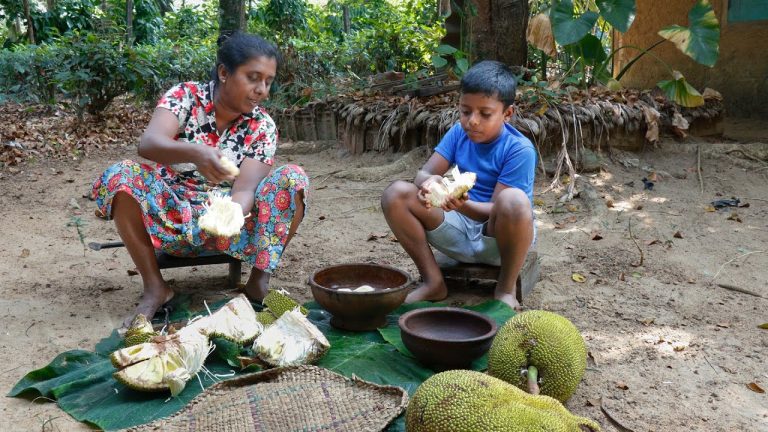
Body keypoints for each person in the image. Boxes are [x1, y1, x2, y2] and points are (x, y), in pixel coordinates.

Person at [91, 32, 308, 326]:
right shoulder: (184, 97)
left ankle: (258, 283)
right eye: (253, 77)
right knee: (121, 174)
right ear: (223, 72)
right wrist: (195, 152)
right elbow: (149, 144)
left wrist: (229, 214)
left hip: (230, 227)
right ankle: (156, 288)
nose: (261, 90)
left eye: (268, 81)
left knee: (291, 178)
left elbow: (245, 189)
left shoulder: (262, 127)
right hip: (173, 217)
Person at [381, 60, 535, 310]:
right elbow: (423, 173)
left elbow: (499, 209)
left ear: (508, 114)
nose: (472, 121)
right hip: (456, 232)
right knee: (396, 194)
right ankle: (433, 282)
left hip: (498, 240)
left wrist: (461, 205)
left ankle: (505, 289)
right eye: (465, 111)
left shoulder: (519, 149)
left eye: (485, 114)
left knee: (515, 201)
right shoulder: (458, 133)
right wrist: (429, 181)